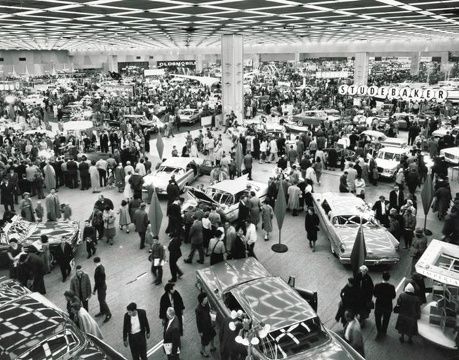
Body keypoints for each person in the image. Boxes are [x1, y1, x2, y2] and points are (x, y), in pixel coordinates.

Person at [373, 271, 396, 339]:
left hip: (379, 305)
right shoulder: (391, 287)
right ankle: (384, 331)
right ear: (389, 278)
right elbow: (393, 296)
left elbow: (374, 294)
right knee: (386, 319)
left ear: (382, 277)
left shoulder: (377, 285)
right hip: (387, 305)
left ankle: (379, 331)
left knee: (378, 319)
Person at [195, 293, 216, 357]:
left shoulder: (207, 304)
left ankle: (212, 347)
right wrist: (200, 331)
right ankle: (203, 351)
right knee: (204, 341)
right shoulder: (198, 309)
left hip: (209, 325)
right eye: (205, 299)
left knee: (212, 335)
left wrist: (213, 318)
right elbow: (198, 322)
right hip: (204, 328)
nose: (207, 299)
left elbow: (210, 311)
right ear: (202, 300)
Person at [93, 257, 111, 323]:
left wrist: (94, 290)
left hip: (101, 287)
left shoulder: (98, 269)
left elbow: (97, 282)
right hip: (102, 286)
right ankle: (102, 311)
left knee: (102, 300)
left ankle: (108, 314)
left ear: (94, 262)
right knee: (100, 299)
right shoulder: (101, 267)